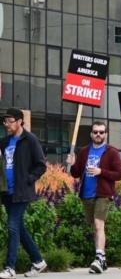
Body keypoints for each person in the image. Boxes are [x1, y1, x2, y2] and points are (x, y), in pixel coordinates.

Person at [67, 121, 121, 274]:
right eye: (96, 132)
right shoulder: (84, 151)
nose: (98, 134)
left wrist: (100, 171)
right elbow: (76, 173)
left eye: (101, 132)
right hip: (87, 194)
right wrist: (72, 164)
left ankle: (98, 258)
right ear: (91, 134)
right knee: (95, 228)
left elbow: (118, 175)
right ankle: (102, 259)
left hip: (103, 193)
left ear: (105, 134)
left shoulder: (112, 152)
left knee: (99, 225)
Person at [0, 108, 47, 279]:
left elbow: (41, 165)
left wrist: (29, 179)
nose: (7, 124)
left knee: (12, 227)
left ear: (20, 121)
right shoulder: (4, 142)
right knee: (19, 228)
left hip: (22, 191)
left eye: (10, 121)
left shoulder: (30, 140)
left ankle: (10, 267)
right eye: (5, 121)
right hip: (7, 191)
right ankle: (38, 261)